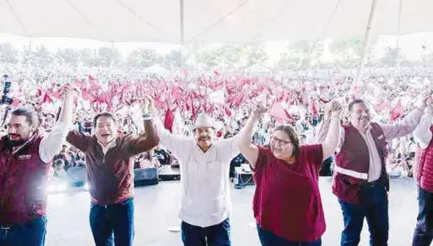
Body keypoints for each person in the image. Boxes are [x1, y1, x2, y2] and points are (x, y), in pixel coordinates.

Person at [316, 97, 428, 246]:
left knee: (381, 236)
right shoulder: (343, 132)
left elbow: (403, 127)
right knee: (351, 236)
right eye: (359, 111)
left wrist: (420, 108)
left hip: (378, 191)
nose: (364, 114)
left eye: (366, 110)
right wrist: (328, 118)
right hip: (351, 192)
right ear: (350, 115)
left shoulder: (377, 128)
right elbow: (322, 144)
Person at [236, 101, 341, 246]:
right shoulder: (264, 157)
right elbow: (243, 144)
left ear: (294, 144)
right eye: (274, 139)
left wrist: (335, 117)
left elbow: (331, 144)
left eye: (282, 141)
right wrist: (254, 117)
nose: (276, 144)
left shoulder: (307, 154)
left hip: (307, 227)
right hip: (273, 228)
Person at [0, 84, 77, 246]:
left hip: (28, 226)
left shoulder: (42, 147)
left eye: (18, 126)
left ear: (33, 127)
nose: (11, 130)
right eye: (9, 126)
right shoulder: (0, 142)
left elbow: (60, 129)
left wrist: (67, 100)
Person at [65, 98, 159, 246]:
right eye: (100, 126)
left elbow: (152, 141)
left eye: (109, 125)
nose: (104, 129)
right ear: (93, 129)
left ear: (117, 127)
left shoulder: (127, 143)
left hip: (122, 205)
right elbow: (63, 130)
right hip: (97, 206)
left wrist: (146, 114)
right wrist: (67, 101)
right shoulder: (87, 143)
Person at [150, 102, 240, 246]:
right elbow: (163, 135)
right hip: (190, 217)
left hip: (218, 217)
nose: (204, 134)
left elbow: (242, 139)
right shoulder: (184, 147)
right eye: (199, 131)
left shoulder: (224, 148)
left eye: (207, 130)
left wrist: (255, 117)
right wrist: (151, 111)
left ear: (215, 133)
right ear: (194, 134)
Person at [411, 99, 433, 246]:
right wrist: (430, 111)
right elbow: (418, 133)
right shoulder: (428, 130)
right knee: (426, 226)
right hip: (429, 187)